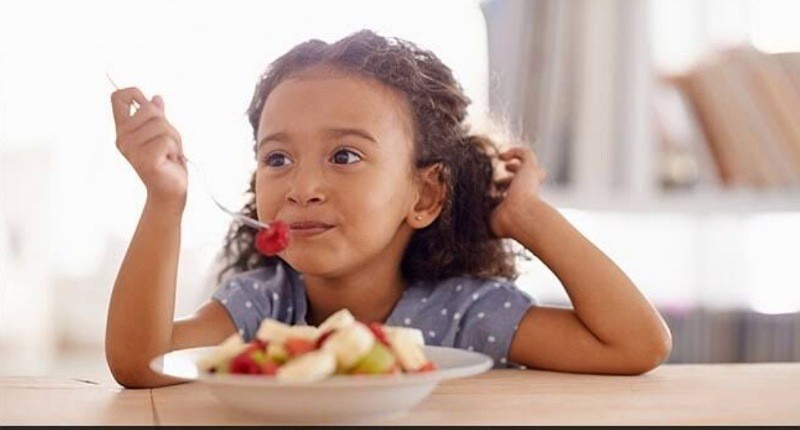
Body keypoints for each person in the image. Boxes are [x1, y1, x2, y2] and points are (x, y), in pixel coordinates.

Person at [106, 30, 672, 389]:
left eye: (344, 155)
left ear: (424, 195)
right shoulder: (265, 305)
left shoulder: (462, 315)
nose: (302, 187)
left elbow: (636, 344)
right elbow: (143, 363)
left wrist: (528, 219)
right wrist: (165, 198)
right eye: (277, 157)